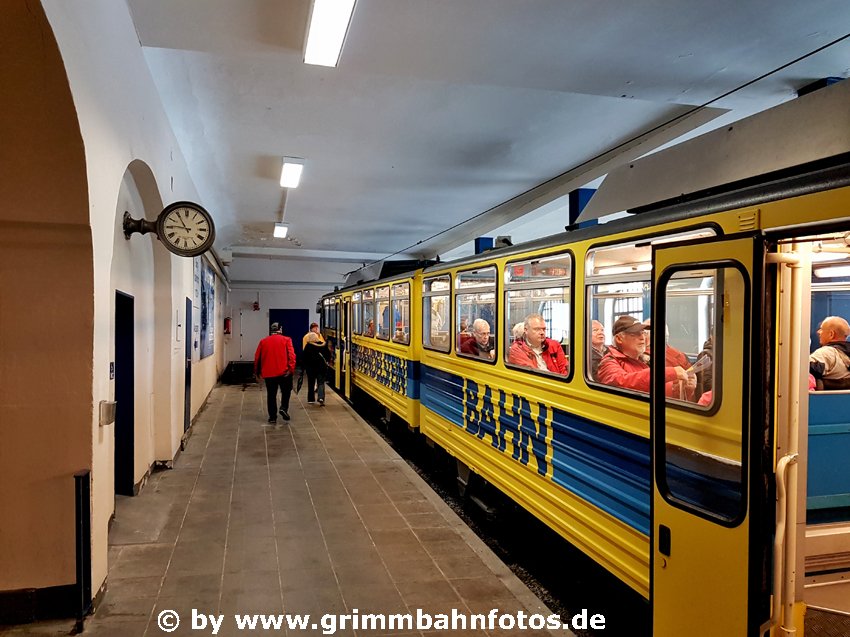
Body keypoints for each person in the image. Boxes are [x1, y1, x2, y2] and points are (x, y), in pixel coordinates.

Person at [596, 315, 694, 398]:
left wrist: (681, 389)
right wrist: (668, 373)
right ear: (619, 339)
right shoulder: (608, 362)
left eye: (643, 333)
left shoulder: (643, 360)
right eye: (635, 333)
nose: (642, 337)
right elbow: (622, 383)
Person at [254, 322, 296, 423]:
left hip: (269, 373)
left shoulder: (263, 341)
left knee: (271, 394)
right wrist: (291, 369)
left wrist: (257, 372)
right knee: (286, 391)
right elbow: (292, 355)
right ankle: (283, 408)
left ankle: (272, 417)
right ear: (280, 329)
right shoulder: (286, 340)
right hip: (284, 372)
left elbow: (257, 357)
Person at [809, 316, 850, 389]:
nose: (818, 332)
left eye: (821, 329)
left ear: (831, 334)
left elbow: (803, 370)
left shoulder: (826, 353)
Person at [303, 331, 331, 405]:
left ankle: (311, 399)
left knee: (311, 383)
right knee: (321, 383)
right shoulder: (323, 345)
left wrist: (304, 367)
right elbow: (328, 355)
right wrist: (327, 362)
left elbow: (304, 357)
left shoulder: (308, 346)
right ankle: (321, 398)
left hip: (311, 369)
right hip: (321, 368)